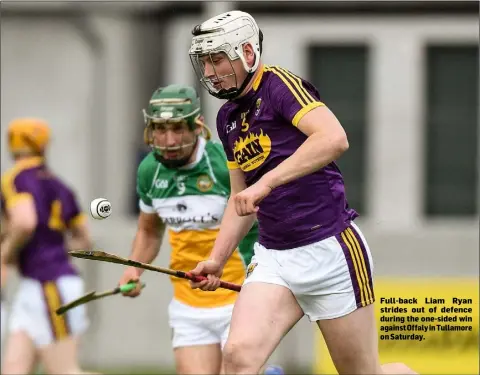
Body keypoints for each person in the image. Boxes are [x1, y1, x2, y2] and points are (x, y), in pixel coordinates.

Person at [187, 10, 419, 375]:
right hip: (275, 257)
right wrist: (217, 259)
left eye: (218, 58)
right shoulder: (227, 117)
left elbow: (333, 138)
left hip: (330, 251)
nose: (211, 71)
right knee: (238, 357)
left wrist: (266, 183)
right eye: (205, 62)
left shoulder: (278, 85)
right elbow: (240, 200)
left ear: (248, 53)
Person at [118, 84, 261, 375]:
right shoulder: (149, 170)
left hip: (240, 297)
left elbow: (261, 221)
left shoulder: (224, 164)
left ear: (197, 126)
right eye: (160, 129)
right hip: (188, 304)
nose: (168, 140)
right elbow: (149, 231)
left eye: (177, 129)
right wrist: (134, 269)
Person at [1, 118, 95, 375]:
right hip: (37, 285)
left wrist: (5, 253)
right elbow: (84, 239)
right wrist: (52, 248)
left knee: (65, 372)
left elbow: (24, 222)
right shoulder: (60, 185)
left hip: (49, 285)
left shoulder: (14, 178)